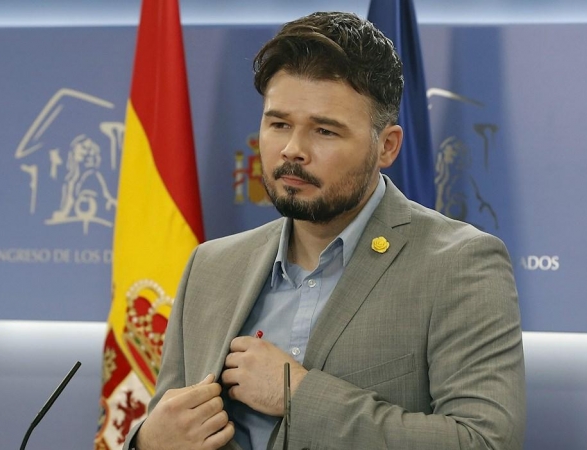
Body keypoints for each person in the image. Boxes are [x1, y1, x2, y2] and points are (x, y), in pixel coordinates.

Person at [125, 11, 525, 450]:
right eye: (279, 124)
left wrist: (299, 396)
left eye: (324, 131)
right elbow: (172, 423)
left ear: (386, 146)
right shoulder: (212, 265)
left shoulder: (459, 264)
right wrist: (145, 441)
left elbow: (484, 442)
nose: (293, 150)